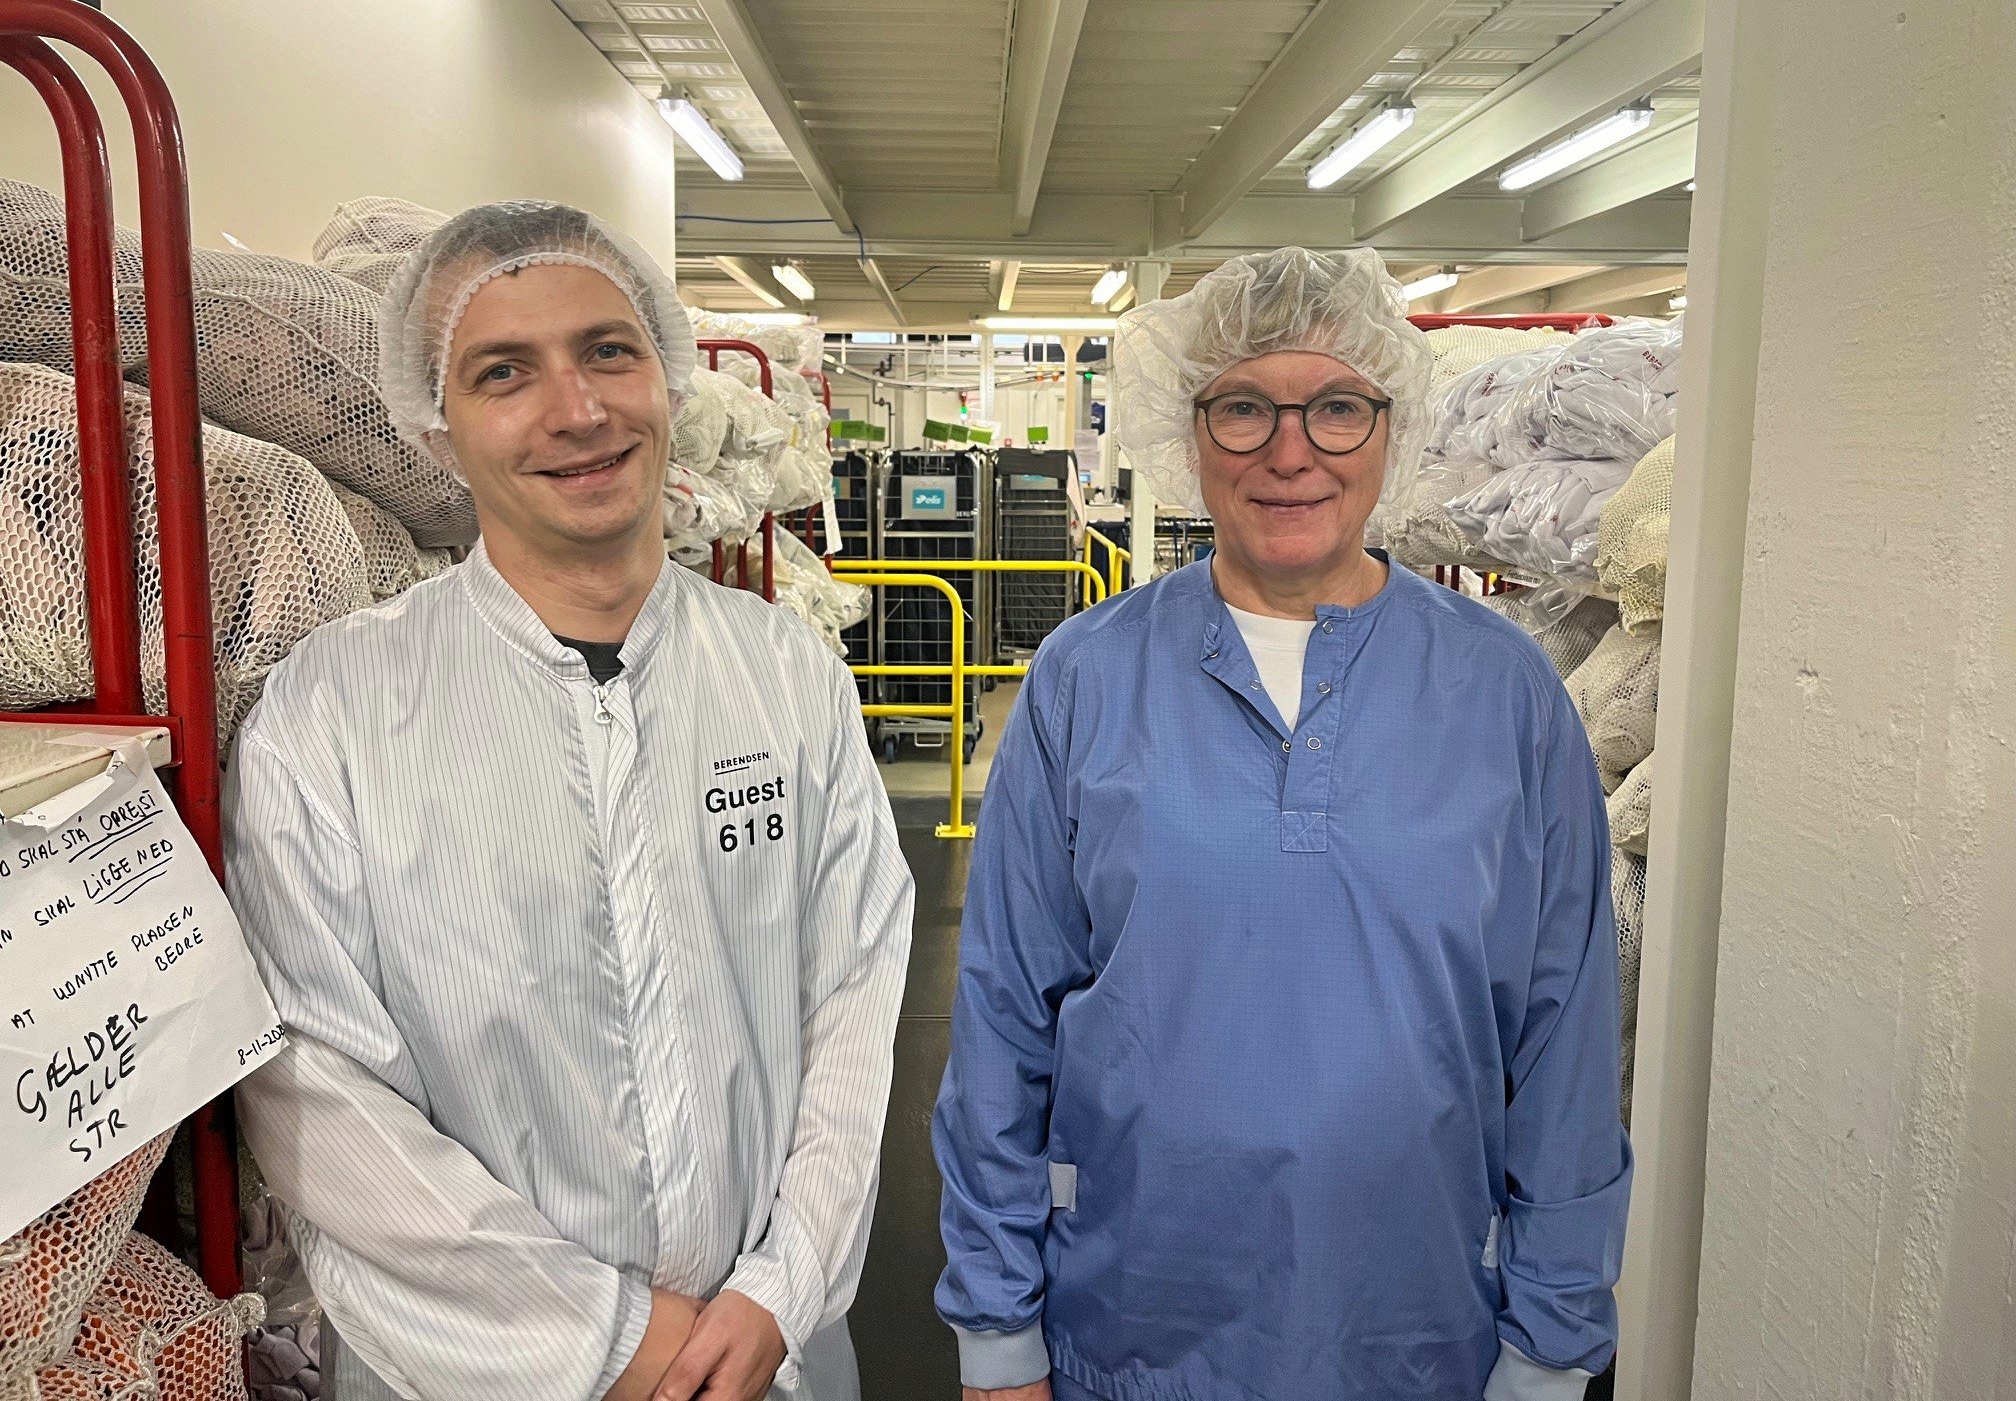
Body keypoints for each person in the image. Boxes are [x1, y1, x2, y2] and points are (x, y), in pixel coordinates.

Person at [226, 201, 914, 1401]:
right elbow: (314, 1091)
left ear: (666, 376)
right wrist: (607, 1336)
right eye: (505, 372)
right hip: (480, 1370)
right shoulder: (334, 709)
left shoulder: (784, 671)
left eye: (608, 350)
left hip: (765, 1356)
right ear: (435, 429)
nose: (580, 410)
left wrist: (781, 1286)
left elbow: (854, 993)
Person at [932, 248, 1631, 1401]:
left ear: (1390, 426)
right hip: (1134, 1325)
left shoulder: (1505, 695)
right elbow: (1004, 1024)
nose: (1290, 451)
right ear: (1187, 427)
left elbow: (1564, 1040)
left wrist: (1554, 1343)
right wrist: (998, 1332)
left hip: (1418, 1329)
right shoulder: (1085, 680)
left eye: (1337, 408)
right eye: (1245, 407)